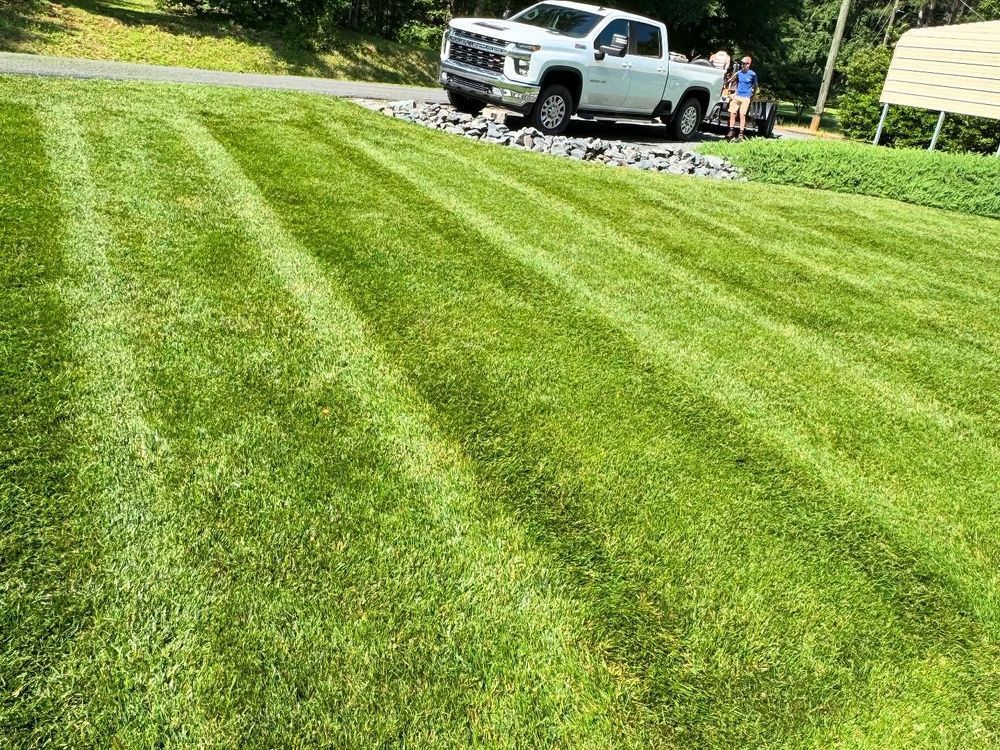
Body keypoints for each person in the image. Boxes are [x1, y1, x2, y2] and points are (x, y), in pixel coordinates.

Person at [726, 56, 758, 141]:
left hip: (746, 97)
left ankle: (741, 133)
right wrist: (729, 83)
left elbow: (755, 86)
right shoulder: (739, 73)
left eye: (744, 63)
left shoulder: (752, 74)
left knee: (742, 115)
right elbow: (731, 80)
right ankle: (731, 131)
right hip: (737, 96)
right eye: (742, 63)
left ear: (748, 64)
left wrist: (752, 96)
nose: (742, 65)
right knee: (732, 113)